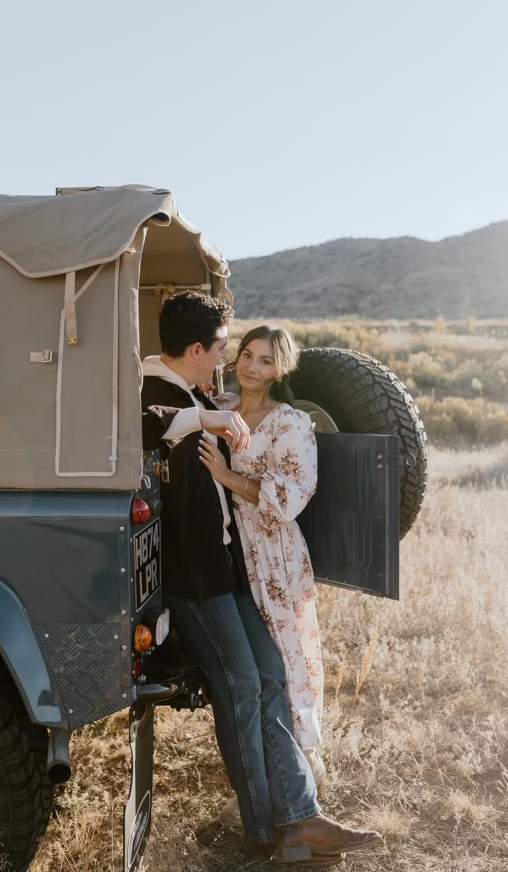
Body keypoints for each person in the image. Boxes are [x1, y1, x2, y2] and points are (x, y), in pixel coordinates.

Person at [141, 291, 381, 865]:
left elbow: (283, 493)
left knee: (272, 675)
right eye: (232, 349)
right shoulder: (167, 392)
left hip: (234, 569)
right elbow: (144, 424)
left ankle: (299, 815)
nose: (239, 362)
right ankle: (272, 829)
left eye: (259, 357)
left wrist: (213, 426)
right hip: (195, 576)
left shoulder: (209, 394)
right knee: (243, 688)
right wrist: (208, 418)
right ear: (200, 349)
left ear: (281, 368)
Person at [198, 325, 325, 829]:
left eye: (265, 361)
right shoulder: (223, 406)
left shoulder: (291, 422)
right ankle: (267, 790)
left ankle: (303, 791)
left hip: (274, 558)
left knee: (285, 669)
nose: (251, 367)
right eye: (246, 355)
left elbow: (294, 496)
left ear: (281, 369)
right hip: (234, 555)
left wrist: (227, 477)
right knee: (253, 675)